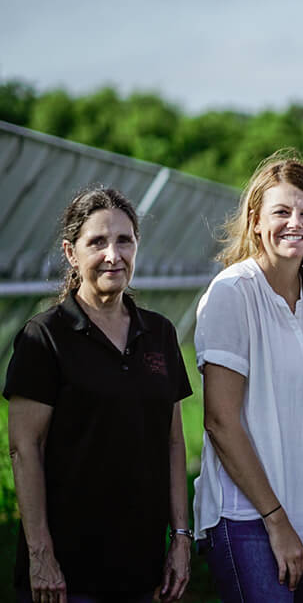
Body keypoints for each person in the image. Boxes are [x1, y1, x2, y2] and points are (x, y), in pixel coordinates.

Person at [5, 187, 192, 603]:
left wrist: (180, 538)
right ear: (71, 253)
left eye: (124, 240)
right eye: (98, 242)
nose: (114, 254)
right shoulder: (45, 337)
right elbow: (24, 448)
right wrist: (41, 555)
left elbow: (174, 441)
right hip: (68, 578)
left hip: (143, 571)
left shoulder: (159, 333)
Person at [192, 155, 303, 602]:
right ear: (256, 221)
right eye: (281, 211)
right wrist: (276, 520)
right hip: (249, 521)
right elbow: (220, 421)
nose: (295, 223)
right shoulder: (232, 293)